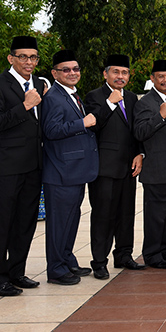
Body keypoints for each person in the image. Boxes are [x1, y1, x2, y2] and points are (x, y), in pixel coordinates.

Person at [0, 36, 47, 296]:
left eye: (33, 57)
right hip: (6, 167)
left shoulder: (41, 84)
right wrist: (25, 105)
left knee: (25, 222)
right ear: (11, 58)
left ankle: (16, 272)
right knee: (2, 223)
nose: (29, 62)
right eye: (23, 56)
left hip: (33, 166)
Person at [84, 54, 146, 280]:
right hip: (104, 168)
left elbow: (135, 129)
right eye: (116, 72)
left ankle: (123, 255)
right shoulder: (94, 97)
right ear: (105, 74)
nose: (121, 77)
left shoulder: (131, 98)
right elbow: (94, 125)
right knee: (103, 216)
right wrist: (109, 103)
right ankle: (99, 261)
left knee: (126, 213)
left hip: (128, 166)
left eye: (125, 73)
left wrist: (140, 152)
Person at [41, 50, 99, 285]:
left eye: (75, 69)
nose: (72, 73)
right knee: (59, 222)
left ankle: (66, 259)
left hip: (75, 170)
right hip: (61, 172)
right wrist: (81, 123)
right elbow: (51, 131)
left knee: (71, 219)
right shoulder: (54, 97)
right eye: (66, 70)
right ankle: (56, 269)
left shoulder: (72, 95)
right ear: (55, 73)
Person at [133, 60, 166, 269]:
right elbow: (140, 132)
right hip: (157, 171)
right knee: (155, 216)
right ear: (153, 79)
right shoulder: (145, 103)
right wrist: (160, 116)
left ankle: (164, 249)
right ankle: (152, 254)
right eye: (161, 76)